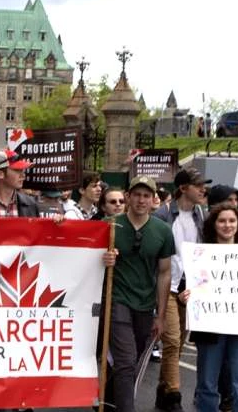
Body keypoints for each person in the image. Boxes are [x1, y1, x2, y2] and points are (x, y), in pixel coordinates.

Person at [106, 175, 175, 412]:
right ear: (128, 197)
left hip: (145, 305)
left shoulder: (163, 231)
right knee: (125, 361)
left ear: (153, 199)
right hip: (117, 300)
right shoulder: (110, 224)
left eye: (146, 195)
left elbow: (164, 273)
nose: (141, 200)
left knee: (132, 361)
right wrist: (103, 258)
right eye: (136, 194)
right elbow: (88, 257)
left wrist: (161, 315)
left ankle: (108, 397)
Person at [152, 167, 211, 411]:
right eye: (198, 185)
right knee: (173, 340)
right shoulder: (162, 216)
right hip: (168, 287)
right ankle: (174, 397)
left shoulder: (200, 214)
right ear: (184, 188)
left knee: (177, 344)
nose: (203, 190)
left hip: (191, 289)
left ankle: (163, 390)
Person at [179, 205, 238, 412]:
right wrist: (184, 297)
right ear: (213, 224)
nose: (227, 225)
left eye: (232, 221)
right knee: (207, 383)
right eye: (222, 221)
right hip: (208, 327)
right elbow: (184, 288)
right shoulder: (199, 254)